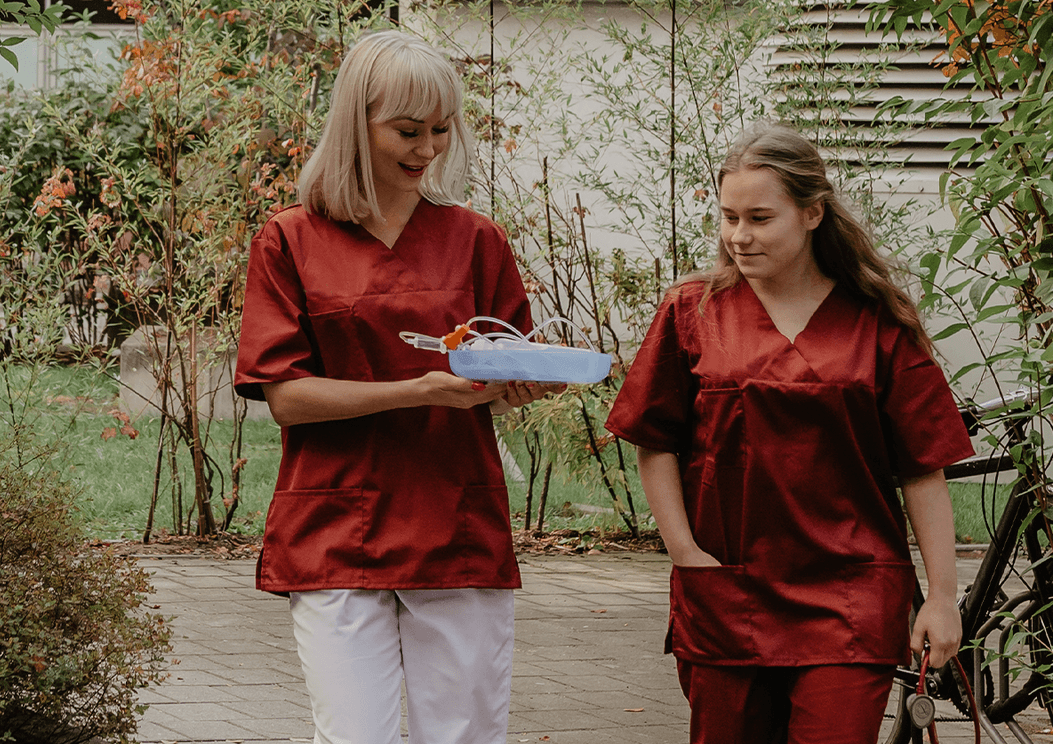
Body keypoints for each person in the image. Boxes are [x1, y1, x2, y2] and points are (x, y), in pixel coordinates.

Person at [234, 30, 560, 744]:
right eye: (408, 131)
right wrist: (417, 391)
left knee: (465, 735)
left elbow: (509, 365)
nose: (428, 149)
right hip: (335, 525)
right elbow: (286, 398)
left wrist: (528, 383)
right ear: (358, 124)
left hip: (455, 520)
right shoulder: (289, 240)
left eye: (441, 130)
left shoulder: (476, 240)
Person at [605, 122, 974, 743]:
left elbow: (922, 467)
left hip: (850, 596)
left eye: (759, 218)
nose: (739, 236)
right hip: (727, 586)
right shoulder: (692, 309)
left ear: (811, 213)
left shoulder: (877, 321)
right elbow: (654, 440)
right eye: (728, 217)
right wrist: (685, 554)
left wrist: (941, 596)